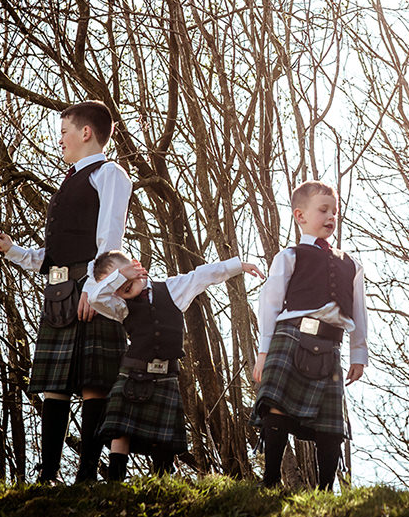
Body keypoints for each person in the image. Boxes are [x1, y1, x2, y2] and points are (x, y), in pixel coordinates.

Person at [0, 100, 132, 484]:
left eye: (64, 131)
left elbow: (110, 237)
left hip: (90, 288)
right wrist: (15, 251)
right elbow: (54, 255)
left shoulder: (110, 174)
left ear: (86, 132)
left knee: (91, 384)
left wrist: (96, 286)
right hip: (58, 292)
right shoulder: (69, 180)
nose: (60, 140)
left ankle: (87, 476)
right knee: (54, 387)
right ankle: (48, 476)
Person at [84, 249, 264, 481]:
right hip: (132, 374)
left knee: (163, 438)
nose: (121, 288)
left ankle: (161, 484)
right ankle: (114, 484)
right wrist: (118, 277)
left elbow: (204, 275)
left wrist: (239, 265)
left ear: (137, 266)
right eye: (115, 285)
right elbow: (95, 297)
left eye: (125, 278)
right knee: (120, 432)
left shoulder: (172, 288)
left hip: (166, 376)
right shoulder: (120, 306)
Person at [252, 180, 368, 490]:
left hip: (330, 344)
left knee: (331, 426)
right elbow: (270, 303)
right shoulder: (289, 255)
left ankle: (325, 490)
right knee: (276, 407)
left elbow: (359, 313)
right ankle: (271, 480)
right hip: (289, 337)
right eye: (323, 210)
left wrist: (359, 354)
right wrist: (263, 352)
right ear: (300, 215)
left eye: (335, 211)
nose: (331, 216)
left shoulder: (352, 265)